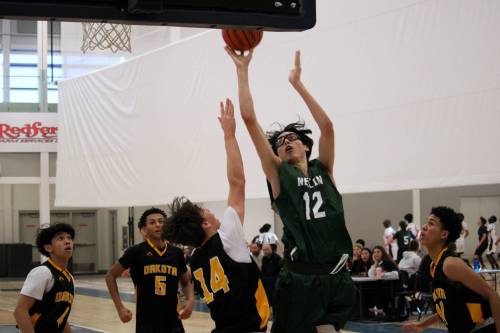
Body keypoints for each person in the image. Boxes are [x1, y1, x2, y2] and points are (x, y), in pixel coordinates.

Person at [225, 47, 356, 333]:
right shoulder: (279, 174)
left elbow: (329, 127)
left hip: (336, 276)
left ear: (306, 146)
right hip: (300, 280)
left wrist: (298, 84)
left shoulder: (325, 169)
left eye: (292, 138)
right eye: (280, 142)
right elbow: (249, 119)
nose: (285, 142)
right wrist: (242, 70)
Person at [162, 99, 270, 333]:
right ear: (206, 223)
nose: (210, 209)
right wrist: (229, 134)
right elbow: (237, 182)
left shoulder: (197, 259)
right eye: (205, 210)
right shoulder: (227, 237)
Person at [402, 206, 500, 333]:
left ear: (444, 234)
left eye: (431, 223)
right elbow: (448, 309)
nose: (424, 227)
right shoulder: (434, 266)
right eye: (426, 222)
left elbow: (492, 294)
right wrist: (421, 325)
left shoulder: (450, 264)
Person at [105, 207, 193, 333]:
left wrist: (190, 300)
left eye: (161, 221)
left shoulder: (176, 253)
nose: (157, 224)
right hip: (147, 324)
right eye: (152, 222)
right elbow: (110, 275)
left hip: (174, 321)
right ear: (144, 230)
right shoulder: (136, 252)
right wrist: (120, 308)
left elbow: (185, 281)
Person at [14, 223, 75, 333]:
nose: (67, 241)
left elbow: (61, 317)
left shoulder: (70, 278)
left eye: (69, 238)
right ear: (48, 247)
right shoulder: (43, 272)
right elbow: (20, 311)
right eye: (60, 238)